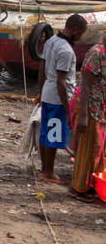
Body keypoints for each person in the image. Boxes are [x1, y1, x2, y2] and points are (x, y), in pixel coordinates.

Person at [38, 14, 88, 184]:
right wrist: (68, 110)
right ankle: (48, 172)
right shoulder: (66, 50)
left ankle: (45, 168)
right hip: (58, 98)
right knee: (53, 134)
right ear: (75, 30)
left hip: (47, 92)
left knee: (46, 132)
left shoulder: (51, 41)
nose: (80, 38)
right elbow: (62, 81)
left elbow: (42, 70)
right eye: (81, 34)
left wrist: (40, 92)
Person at [71, 34, 106, 202]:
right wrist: (83, 115)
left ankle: (93, 185)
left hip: (103, 110)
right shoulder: (97, 53)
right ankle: (79, 188)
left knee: (99, 151)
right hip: (91, 108)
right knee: (89, 149)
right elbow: (85, 85)